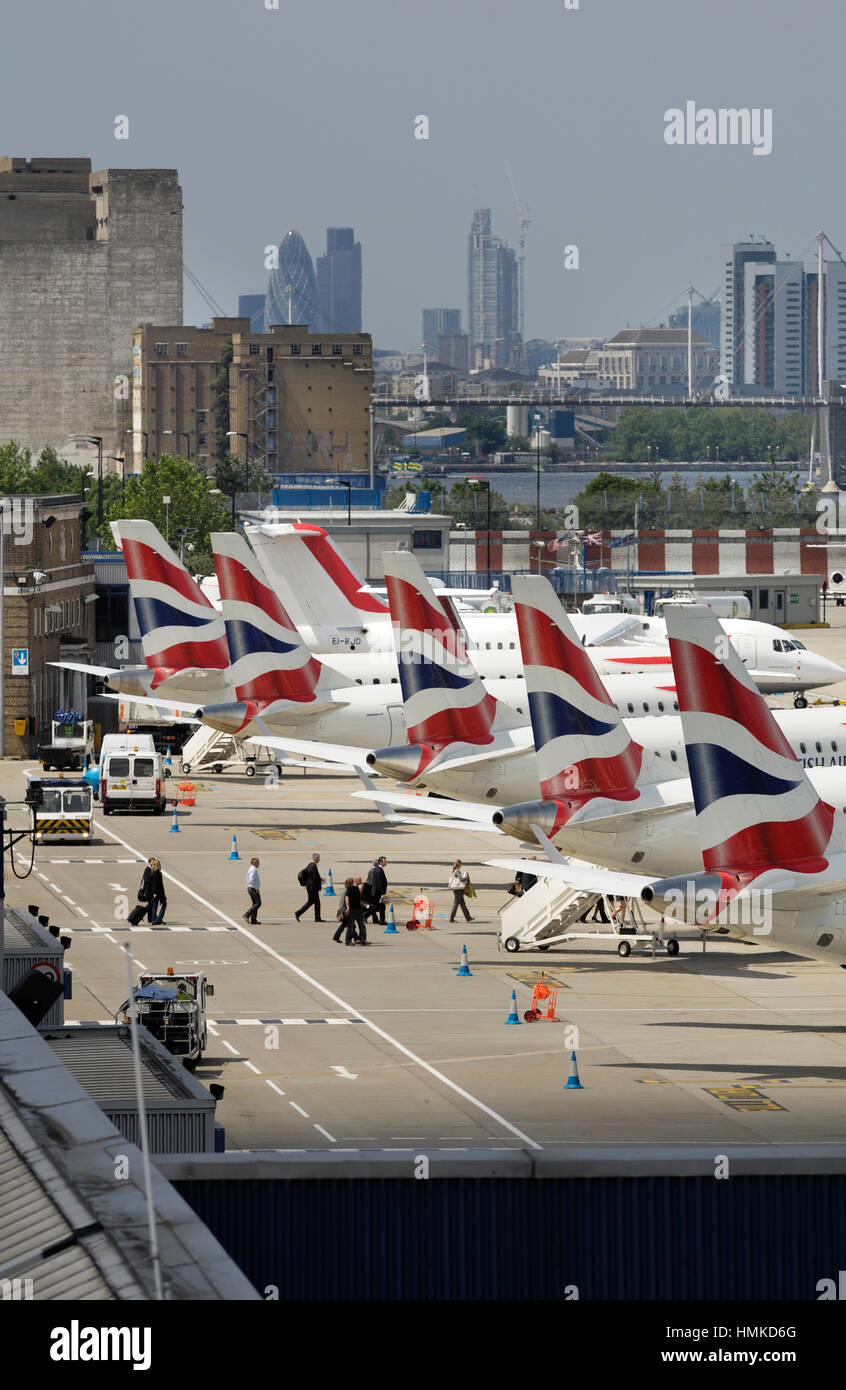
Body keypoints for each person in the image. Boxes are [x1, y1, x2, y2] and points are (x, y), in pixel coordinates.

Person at [295, 852, 323, 922]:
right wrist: (321, 879)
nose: (319, 859)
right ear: (315, 858)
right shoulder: (313, 866)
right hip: (312, 887)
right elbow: (315, 877)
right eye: (318, 858)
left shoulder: (309, 865)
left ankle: (299, 913)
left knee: (311, 902)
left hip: (309, 886)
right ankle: (317, 918)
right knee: (316, 902)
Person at [362, 855, 388, 925]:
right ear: (380, 862)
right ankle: (366, 915)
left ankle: (379, 920)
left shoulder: (376, 869)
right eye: (384, 861)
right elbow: (380, 883)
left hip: (375, 892)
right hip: (377, 893)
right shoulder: (379, 871)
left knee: (376, 907)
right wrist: (383, 893)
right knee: (378, 907)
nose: (386, 862)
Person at [343, 874, 368, 946]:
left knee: (362, 925)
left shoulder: (357, 888)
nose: (361, 881)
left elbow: (358, 900)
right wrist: (348, 907)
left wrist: (364, 905)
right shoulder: (351, 888)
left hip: (358, 910)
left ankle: (362, 939)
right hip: (352, 911)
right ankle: (348, 941)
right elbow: (347, 898)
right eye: (360, 880)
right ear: (356, 881)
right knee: (351, 926)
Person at [146, 857, 167, 925]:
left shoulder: (152, 872)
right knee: (164, 904)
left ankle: (153, 920)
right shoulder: (158, 873)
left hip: (154, 892)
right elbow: (158, 884)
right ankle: (158, 919)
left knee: (154, 906)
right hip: (158, 892)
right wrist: (156, 893)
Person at [244, 857, 261, 925]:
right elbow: (251, 879)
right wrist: (256, 888)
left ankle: (253, 920)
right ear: (254, 863)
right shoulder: (253, 870)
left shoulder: (252, 868)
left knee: (255, 904)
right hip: (253, 889)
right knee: (258, 903)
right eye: (257, 862)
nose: (259, 863)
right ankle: (247, 914)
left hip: (251, 888)